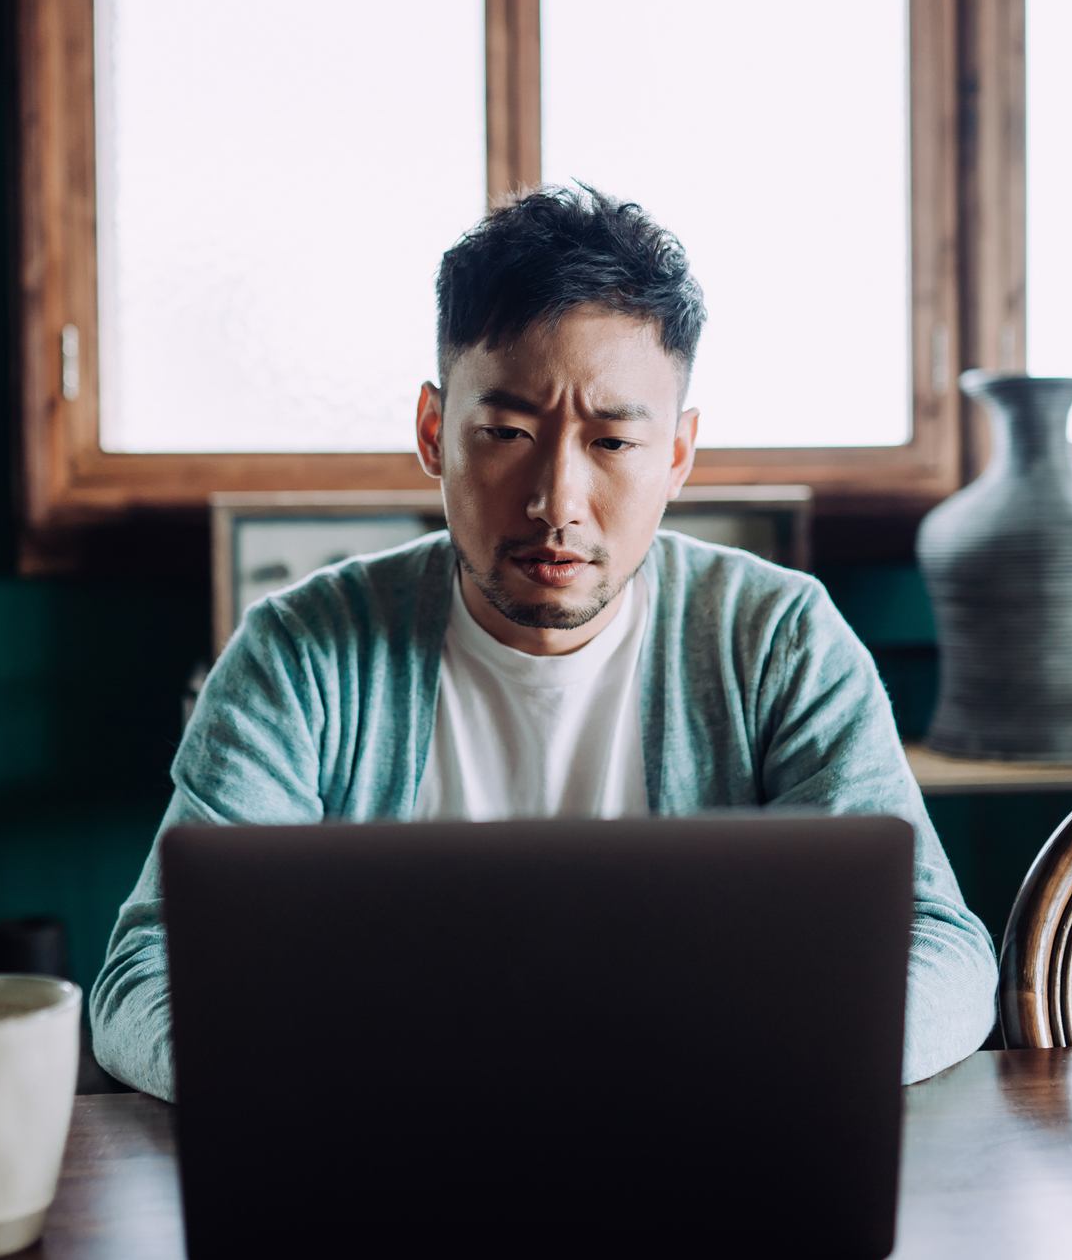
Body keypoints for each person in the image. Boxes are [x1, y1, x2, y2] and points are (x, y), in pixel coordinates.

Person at [92, 183, 997, 1098]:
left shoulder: (775, 641)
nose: (555, 502)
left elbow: (943, 949)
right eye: (507, 432)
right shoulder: (302, 657)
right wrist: (328, 1085)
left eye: (611, 444)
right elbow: (144, 976)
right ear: (433, 430)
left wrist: (764, 1065)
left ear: (677, 456)